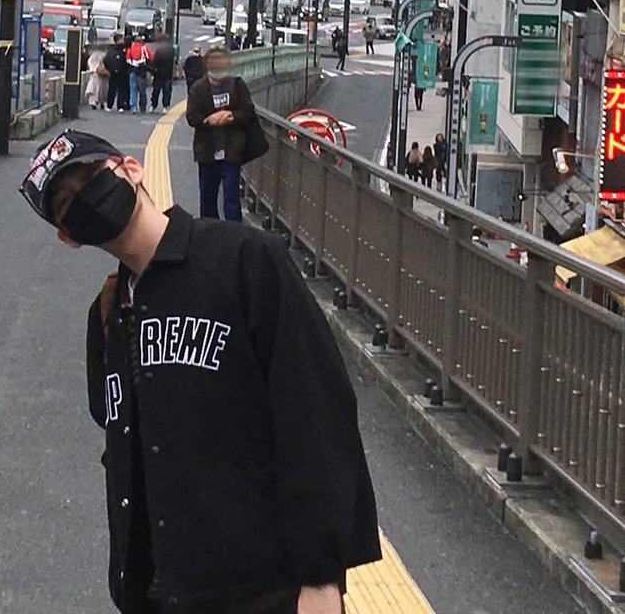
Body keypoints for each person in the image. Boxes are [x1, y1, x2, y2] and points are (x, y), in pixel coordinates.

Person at [20, 129, 380, 614]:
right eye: (65, 206)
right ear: (69, 236)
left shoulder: (246, 261)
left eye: (90, 179)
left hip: (264, 592)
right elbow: (122, 443)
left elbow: (316, 415)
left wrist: (322, 579)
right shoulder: (107, 314)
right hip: (157, 593)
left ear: (131, 168)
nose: (83, 201)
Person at [185, 47, 255, 222]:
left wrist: (230, 116)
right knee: (207, 197)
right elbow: (192, 117)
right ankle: (211, 233)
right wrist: (210, 120)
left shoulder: (237, 85)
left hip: (232, 150)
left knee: (231, 196)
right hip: (207, 151)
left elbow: (248, 111)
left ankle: (234, 235)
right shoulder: (198, 89)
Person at [149, 33, 175, 113]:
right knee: (167, 91)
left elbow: (155, 62)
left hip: (158, 74)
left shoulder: (159, 50)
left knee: (156, 91)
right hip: (168, 73)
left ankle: (153, 105)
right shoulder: (171, 49)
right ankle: (165, 106)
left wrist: (153, 70)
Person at [104, 34, 129, 112]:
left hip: (113, 72)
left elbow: (106, 60)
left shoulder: (111, 50)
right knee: (121, 89)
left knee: (112, 89)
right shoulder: (124, 50)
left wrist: (109, 69)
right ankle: (120, 106)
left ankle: (109, 105)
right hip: (123, 72)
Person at [126, 34, 151, 113]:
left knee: (133, 90)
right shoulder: (144, 48)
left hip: (133, 71)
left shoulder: (131, 49)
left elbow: (127, 59)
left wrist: (134, 64)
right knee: (142, 91)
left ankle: (133, 107)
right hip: (142, 72)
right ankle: (142, 107)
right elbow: (150, 57)